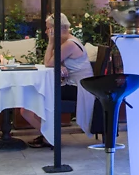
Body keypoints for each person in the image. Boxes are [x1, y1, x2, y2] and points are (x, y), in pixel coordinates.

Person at [21, 13, 93, 148]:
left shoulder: (69, 44)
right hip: (74, 86)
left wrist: (51, 42)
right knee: (32, 99)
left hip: (79, 90)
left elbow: (48, 63)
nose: (46, 32)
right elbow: (54, 62)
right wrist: (60, 65)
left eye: (48, 28)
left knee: (28, 105)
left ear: (57, 28)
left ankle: (50, 136)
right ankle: (48, 134)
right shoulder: (66, 42)